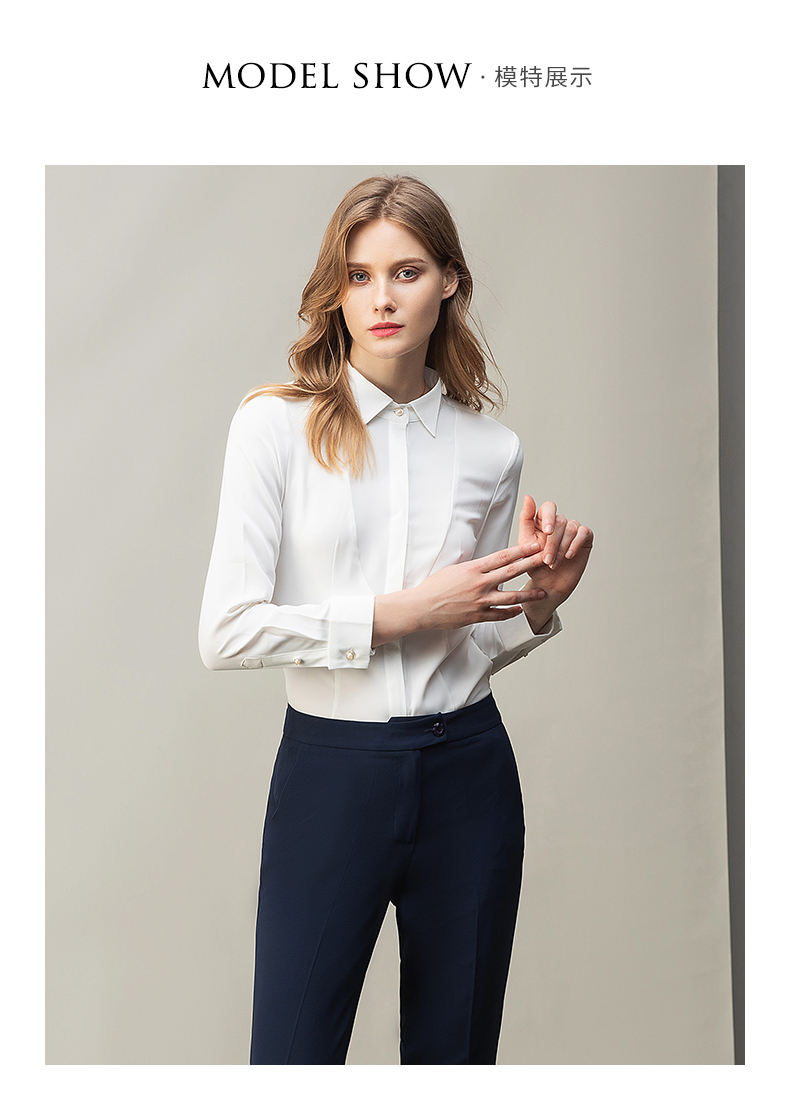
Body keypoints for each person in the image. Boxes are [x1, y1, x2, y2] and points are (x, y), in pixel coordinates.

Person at [198, 175, 593, 1065]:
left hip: (470, 777)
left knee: (456, 1060)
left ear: (449, 280)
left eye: (406, 272)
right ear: (336, 290)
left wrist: (538, 604)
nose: (381, 298)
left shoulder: (492, 450)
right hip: (332, 776)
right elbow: (226, 630)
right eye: (360, 275)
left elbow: (469, 637)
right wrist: (396, 614)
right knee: (291, 1059)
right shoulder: (274, 428)